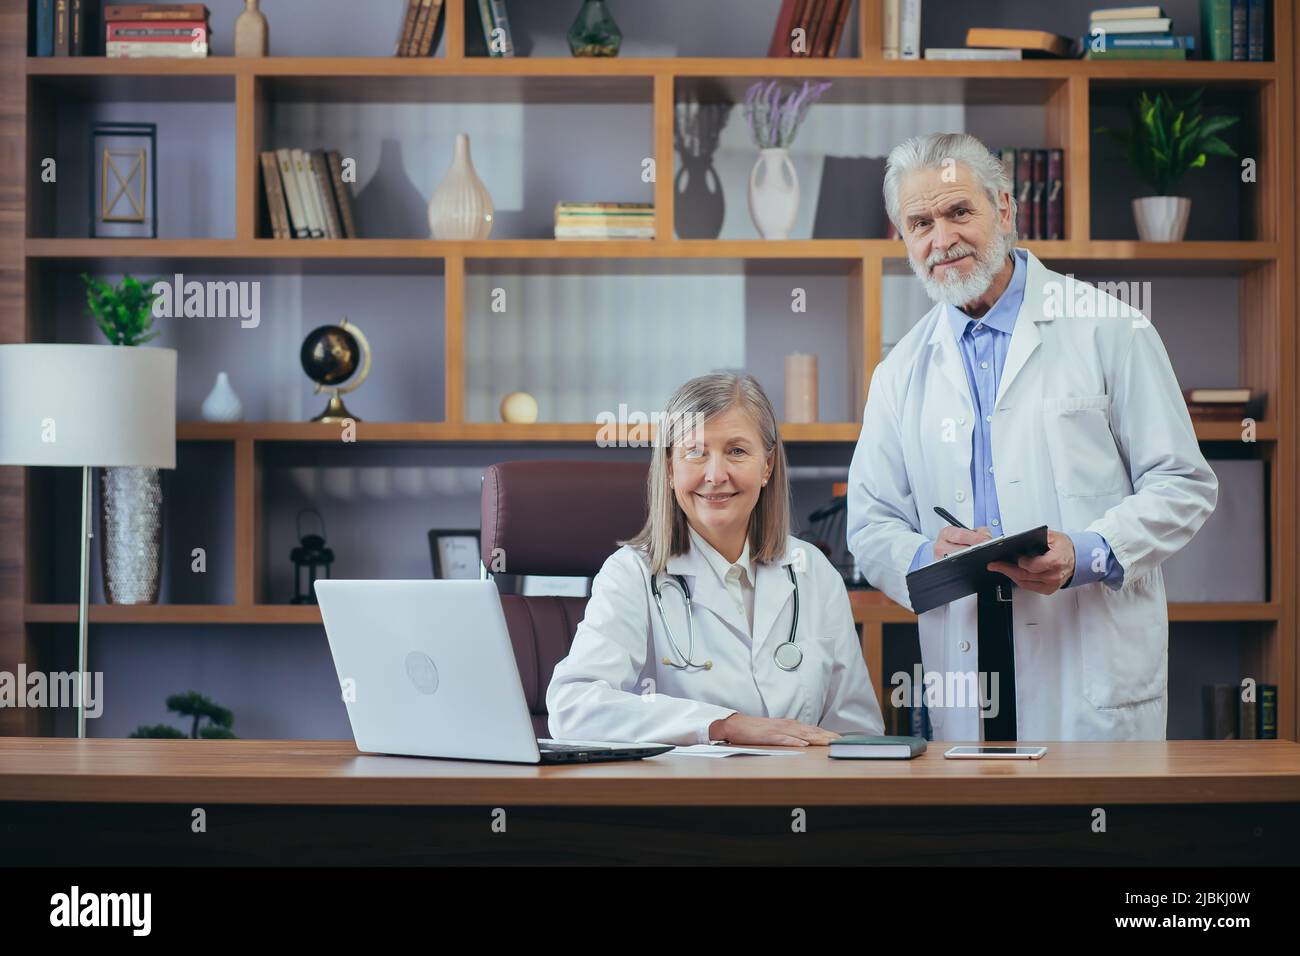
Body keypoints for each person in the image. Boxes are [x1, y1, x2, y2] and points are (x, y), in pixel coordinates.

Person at [847, 132, 1218, 742]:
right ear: (903, 239)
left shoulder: (1112, 329)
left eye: (959, 211)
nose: (942, 240)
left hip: (1089, 657)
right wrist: (926, 557)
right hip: (968, 657)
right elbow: (870, 524)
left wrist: (1088, 551)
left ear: (1005, 208)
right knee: (985, 835)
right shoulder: (900, 372)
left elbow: (1183, 484)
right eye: (920, 223)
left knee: (1097, 833)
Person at [547, 371, 884, 747]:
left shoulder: (812, 571)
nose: (715, 474)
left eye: (737, 451)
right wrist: (722, 725)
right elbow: (572, 709)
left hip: (798, 795)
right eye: (695, 452)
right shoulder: (632, 574)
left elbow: (857, 731)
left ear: (767, 466)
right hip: (683, 800)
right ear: (671, 469)